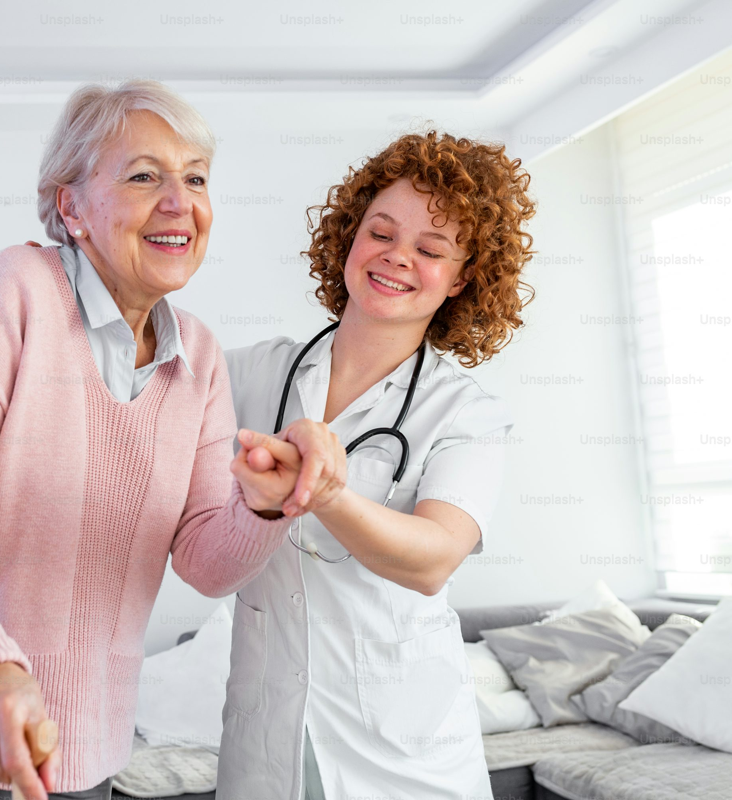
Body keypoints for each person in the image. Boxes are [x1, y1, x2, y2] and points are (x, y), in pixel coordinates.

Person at [0, 80, 306, 800]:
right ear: (71, 206)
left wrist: (267, 508)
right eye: (145, 175)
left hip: (85, 720)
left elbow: (207, 561)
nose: (179, 201)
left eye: (196, 178)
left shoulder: (201, 356)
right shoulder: (18, 289)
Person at [216, 131, 536, 799]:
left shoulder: (466, 415)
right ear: (348, 236)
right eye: (380, 232)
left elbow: (433, 559)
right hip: (268, 745)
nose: (396, 258)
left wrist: (324, 489)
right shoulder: (252, 374)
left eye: (430, 249)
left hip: (405, 761)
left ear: (463, 277)